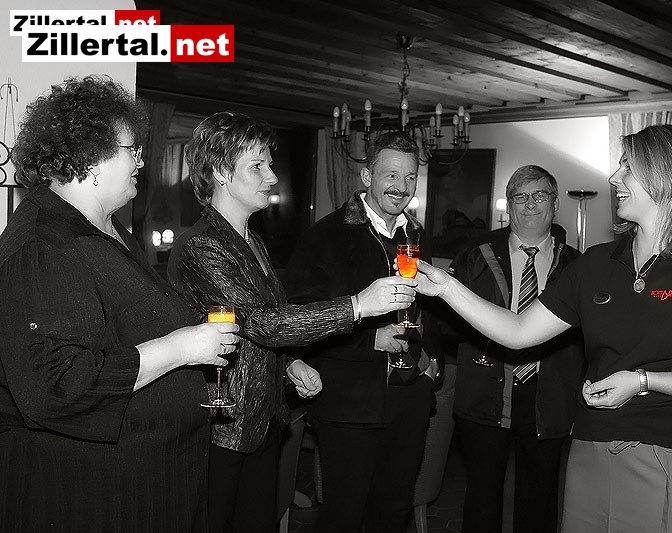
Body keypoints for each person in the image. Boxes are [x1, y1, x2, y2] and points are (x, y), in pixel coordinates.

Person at [413, 125, 672, 533]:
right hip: (591, 451)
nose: (614, 178)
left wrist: (643, 381)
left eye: (627, 167)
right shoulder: (596, 263)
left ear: (668, 175)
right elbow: (518, 331)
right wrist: (446, 289)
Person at [0, 76, 240, 532]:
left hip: (147, 485)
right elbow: (55, 386)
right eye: (132, 149)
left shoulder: (107, 230)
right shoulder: (42, 246)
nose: (141, 161)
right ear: (91, 156)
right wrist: (181, 348)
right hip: (89, 497)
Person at [167, 112, 417, 533]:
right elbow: (265, 324)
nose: (271, 177)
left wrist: (290, 365)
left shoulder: (251, 240)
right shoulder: (202, 245)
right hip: (221, 428)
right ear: (220, 173)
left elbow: (254, 329)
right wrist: (357, 305)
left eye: (269, 165)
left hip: (260, 421)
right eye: (257, 166)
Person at [283, 131, 441, 533]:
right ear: (367, 176)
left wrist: (431, 360)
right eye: (391, 175)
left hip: (409, 401)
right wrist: (370, 339)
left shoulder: (416, 235)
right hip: (349, 405)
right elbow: (301, 319)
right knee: (344, 516)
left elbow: (434, 310)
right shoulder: (325, 236)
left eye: (410, 177)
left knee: (394, 513)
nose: (401, 186)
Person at [444, 165, 584, 533]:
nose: (530, 204)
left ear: (555, 203)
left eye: (539, 195)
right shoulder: (475, 256)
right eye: (520, 196)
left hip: (550, 397)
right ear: (509, 206)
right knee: (481, 495)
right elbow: (447, 322)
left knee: (540, 499)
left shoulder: (579, 265)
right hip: (485, 392)